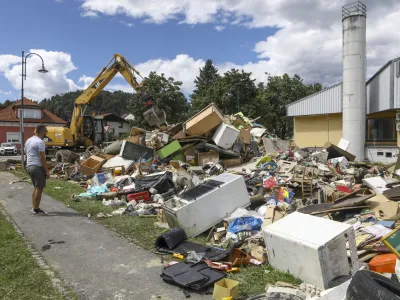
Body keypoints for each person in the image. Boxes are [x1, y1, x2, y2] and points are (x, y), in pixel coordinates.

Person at [25, 124, 50, 215]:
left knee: (36, 187)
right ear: (42, 131)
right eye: (46, 131)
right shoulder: (40, 142)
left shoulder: (29, 140)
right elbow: (42, 158)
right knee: (39, 188)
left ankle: (33, 207)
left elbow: (27, 154)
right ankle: (36, 209)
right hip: (37, 167)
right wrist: (47, 171)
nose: (46, 132)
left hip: (29, 166)